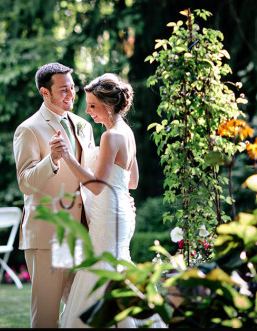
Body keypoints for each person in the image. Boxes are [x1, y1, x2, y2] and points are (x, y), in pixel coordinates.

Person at [50, 73, 165, 328]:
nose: (89, 111)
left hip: (108, 216)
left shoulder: (110, 136)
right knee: (118, 266)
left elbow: (98, 186)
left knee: (102, 268)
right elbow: (131, 182)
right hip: (121, 212)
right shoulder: (127, 133)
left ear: (109, 105)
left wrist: (68, 157)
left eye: (93, 105)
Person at [13, 62, 96, 328]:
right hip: (48, 234)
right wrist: (52, 159)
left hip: (82, 232)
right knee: (46, 316)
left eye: (72, 88)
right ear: (45, 92)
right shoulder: (29, 129)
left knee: (81, 310)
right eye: (63, 90)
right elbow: (25, 183)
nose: (70, 94)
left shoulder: (84, 126)